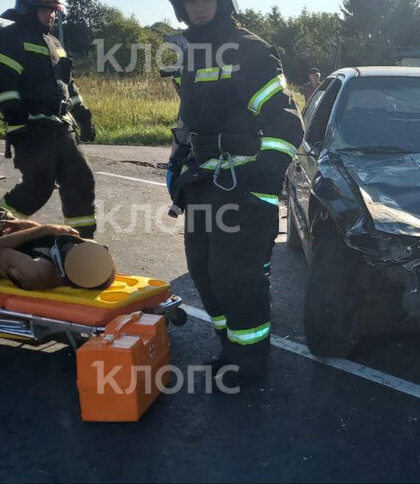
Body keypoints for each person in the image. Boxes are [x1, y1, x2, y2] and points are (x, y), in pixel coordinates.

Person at [166, 0, 305, 386]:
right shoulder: (193, 52)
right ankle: (231, 347)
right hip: (201, 183)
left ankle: (250, 363)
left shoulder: (249, 49)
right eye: (188, 1)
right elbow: (191, 119)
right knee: (204, 272)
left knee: (236, 277)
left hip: (242, 185)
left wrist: (260, 181)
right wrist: (177, 160)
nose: (198, 8)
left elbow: (286, 123)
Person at [0, 0, 99, 239]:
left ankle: (81, 243)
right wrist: (14, 113)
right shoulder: (8, 37)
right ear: (27, 9)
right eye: (46, 10)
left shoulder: (54, 43)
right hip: (30, 126)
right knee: (38, 186)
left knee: (81, 180)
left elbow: (68, 84)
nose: (51, 16)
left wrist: (83, 115)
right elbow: (0, 79)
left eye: (54, 11)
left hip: (61, 125)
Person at [0, 171, 115, 291]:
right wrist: (29, 227)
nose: (78, 243)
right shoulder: (86, 254)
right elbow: (39, 237)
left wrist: (46, 229)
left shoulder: (39, 272)